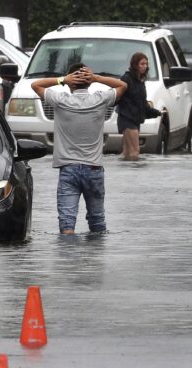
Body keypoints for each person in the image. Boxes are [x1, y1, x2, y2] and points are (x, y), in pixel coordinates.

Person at [31, 63, 127, 235]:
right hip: (94, 169)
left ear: (70, 82)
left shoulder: (60, 100)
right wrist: (96, 77)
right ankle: (96, 260)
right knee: (97, 222)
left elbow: (35, 85)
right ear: (89, 82)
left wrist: (62, 80)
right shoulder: (100, 99)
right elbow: (123, 85)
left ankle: (68, 259)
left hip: (68, 169)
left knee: (67, 224)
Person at [117, 52, 162, 161]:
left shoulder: (140, 81)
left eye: (146, 64)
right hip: (127, 119)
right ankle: (134, 176)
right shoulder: (126, 78)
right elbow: (119, 97)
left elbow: (141, 103)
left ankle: (123, 174)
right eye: (142, 64)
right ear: (135, 64)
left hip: (135, 119)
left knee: (127, 152)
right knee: (135, 151)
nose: (145, 66)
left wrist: (155, 112)